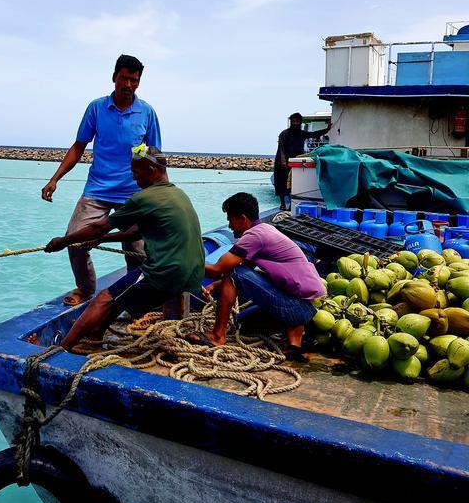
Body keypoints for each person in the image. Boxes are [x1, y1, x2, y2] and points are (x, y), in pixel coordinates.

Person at [44, 146, 205, 352]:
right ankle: (95, 335)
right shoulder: (178, 193)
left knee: (103, 299)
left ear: (151, 169)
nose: (135, 180)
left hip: (165, 273)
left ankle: (60, 350)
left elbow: (98, 226)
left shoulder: (145, 198)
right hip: (193, 275)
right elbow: (135, 233)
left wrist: (64, 241)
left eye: (137, 174)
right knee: (119, 295)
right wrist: (102, 240)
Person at [41, 55, 161, 306]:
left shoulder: (147, 112)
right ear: (114, 77)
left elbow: (156, 157)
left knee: (138, 251)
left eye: (135, 81)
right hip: (97, 189)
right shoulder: (96, 108)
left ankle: (137, 296)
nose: (129, 85)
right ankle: (85, 289)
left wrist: (162, 195)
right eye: (125, 79)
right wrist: (54, 179)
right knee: (75, 240)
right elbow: (78, 146)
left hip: (134, 193)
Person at [199, 192, 325, 358]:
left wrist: (186, 266)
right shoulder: (265, 229)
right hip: (304, 308)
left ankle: (217, 336)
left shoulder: (254, 236)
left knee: (234, 271)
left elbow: (218, 269)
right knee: (243, 323)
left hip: (297, 308)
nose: (229, 225)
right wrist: (215, 285)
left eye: (230, 220)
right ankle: (294, 343)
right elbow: (248, 269)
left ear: (243, 218)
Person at [274, 113, 331, 210]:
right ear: (291, 122)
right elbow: (281, 149)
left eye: (297, 121)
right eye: (294, 121)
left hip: (295, 162)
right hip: (282, 163)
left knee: (292, 185)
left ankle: (292, 204)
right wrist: (283, 162)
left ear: (300, 122)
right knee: (281, 184)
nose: (296, 123)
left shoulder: (302, 133)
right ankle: (283, 204)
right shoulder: (284, 134)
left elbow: (314, 134)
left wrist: (327, 129)